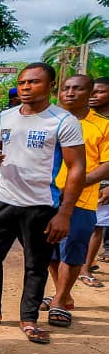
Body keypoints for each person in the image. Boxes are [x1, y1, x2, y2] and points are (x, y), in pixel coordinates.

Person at [0, 63, 86, 344]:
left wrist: (64, 213)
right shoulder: (5, 117)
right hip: (3, 200)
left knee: (36, 264)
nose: (26, 87)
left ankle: (29, 319)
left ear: (50, 86)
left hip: (41, 205)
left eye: (34, 82)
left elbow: (77, 168)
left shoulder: (63, 121)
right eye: (23, 82)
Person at [41, 75, 109, 313]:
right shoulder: (47, 121)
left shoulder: (103, 125)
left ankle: (59, 300)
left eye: (77, 89)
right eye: (65, 88)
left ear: (89, 93)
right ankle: (63, 293)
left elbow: (107, 163)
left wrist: (79, 182)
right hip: (44, 197)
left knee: (73, 249)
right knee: (49, 250)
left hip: (81, 199)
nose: (69, 93)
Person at [82, 77, 109, 284]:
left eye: (99, 92)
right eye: (92, 91)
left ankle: (85, 267)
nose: (94, 96)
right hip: (76, 183)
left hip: (101, 185)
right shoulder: (79, 119)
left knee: (96, 226)